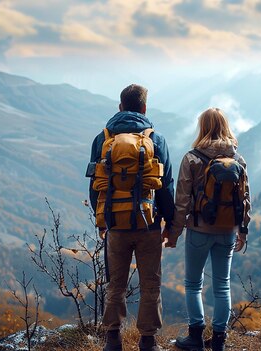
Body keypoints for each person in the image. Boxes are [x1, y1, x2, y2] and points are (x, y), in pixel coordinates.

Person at [89, 84, 175, 351]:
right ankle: (148, 342)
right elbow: (166, 186)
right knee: (151, 284)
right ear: (145, 108)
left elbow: (95, 186)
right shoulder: (156, 140)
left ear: (120, 107)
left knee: (116, 283)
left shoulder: (102, 139)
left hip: (116, 224)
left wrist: (102, 219)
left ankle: (112, 340)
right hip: (148, 224)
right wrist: (170, 224)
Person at [164, 107, 251, 351]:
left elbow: (181, 201)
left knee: (193, 284)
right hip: (228, 230)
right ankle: (219, 341)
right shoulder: (238, 160)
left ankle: (195, 337)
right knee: (222, 285)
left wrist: (174, 233)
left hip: (199, 230)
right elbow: (245, 199)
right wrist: (242, 231)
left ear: (202, 127)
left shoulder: (192, 158)